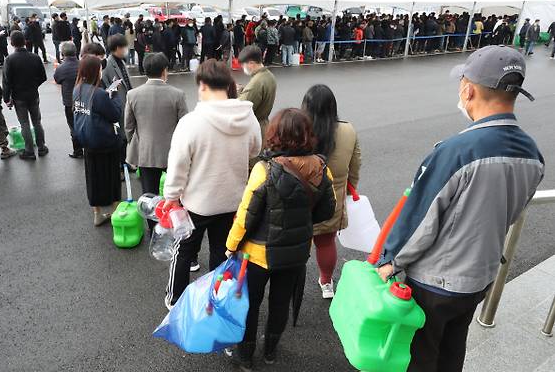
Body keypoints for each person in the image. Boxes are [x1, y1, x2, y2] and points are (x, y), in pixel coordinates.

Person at [376, 45, 544, 372]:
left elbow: (421, 219)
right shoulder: (532, 154)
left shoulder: (456, 151)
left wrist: (390, 261)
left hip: (435, 282)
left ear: (468, 90)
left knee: (420, 357)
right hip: (480, 277)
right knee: (453, 349)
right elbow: (513, 212)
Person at [225, 108, 335, 370]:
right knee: (279, 304)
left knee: (250, 304)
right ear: (307, 135)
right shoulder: (322, 168)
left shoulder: (265, 169)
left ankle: (246, 356)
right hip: (295, 254)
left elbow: (246, 215)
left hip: (257, 254)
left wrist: (230, 246)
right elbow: (327, 211)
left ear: (275, 135)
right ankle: (271, 351)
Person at [164, 59, 261, 310]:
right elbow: (255, 150)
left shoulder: (192, 122)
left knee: (184, 250)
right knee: (221, 253)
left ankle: (176, 301)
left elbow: (178, 165)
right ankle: (216, 302)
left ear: (203, 85)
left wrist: (172, 196)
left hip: (196, 203)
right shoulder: (246, 117)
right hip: (232, 201)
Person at [301, 84, 361, 298]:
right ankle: (326, 283)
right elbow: (355, 165)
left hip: (301, 198)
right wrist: (350, 188)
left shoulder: (301, 130)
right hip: (332, 199)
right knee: (326, 242)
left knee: (297, 242)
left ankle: (290, 282)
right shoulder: (348, 130)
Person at [124, 53, 188, 235]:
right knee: (177, 192)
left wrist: (135, 143)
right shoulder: (177, 95)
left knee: (149, 194)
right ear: (164, 71)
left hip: (145, 153)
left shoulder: (132, 94)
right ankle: (178, 225)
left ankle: (154, 230)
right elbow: (185, 126)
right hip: (172, 154)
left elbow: (128, 127)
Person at [73, 55, 124, 226]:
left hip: (87, 140)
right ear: (95, 71)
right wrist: (115, 95)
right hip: (105, 141)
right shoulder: (99, 94)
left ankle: (97, 213)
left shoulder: (77, 89)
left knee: (93, 177)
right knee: (112, 177)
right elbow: (115, 114)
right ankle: (116, 211)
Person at [2, 30, 49, 160]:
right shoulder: (35, 57)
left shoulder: (9, 60)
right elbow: (43, 77)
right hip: (33, 94)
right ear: (24, 41)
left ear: (11, 43)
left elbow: (6, 82)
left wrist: (6, 98)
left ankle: (29, 151)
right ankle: (41, 147)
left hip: (18, 96)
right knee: (37, 122)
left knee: (24, 123)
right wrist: (34, 85)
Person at [237, 46, 277, 150]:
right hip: (264, 125)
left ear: (251, 63)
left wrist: (237, 93)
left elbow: (241, 108)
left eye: (243, 65)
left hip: (256, 129)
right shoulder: (269, 76)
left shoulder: (257, 82)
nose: (243, 68)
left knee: (255, 163)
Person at [102, 34, 133, 166]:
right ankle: (121, 164)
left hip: (127, 103)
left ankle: (125, 162)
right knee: (120, 136)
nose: (126, 49)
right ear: (117, 48)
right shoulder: (108, 65)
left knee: (125, 136)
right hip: (117, 105)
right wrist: (114, 87)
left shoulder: (121, 61)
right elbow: (106, 88)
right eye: (124, 47)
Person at [53, 42, 83, 158]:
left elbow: (57, 80)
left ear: (63, 53)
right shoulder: (82, 65)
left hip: (69, 102)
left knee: (73, 126)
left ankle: (78, 151)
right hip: (84, 99)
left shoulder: (61, 68)